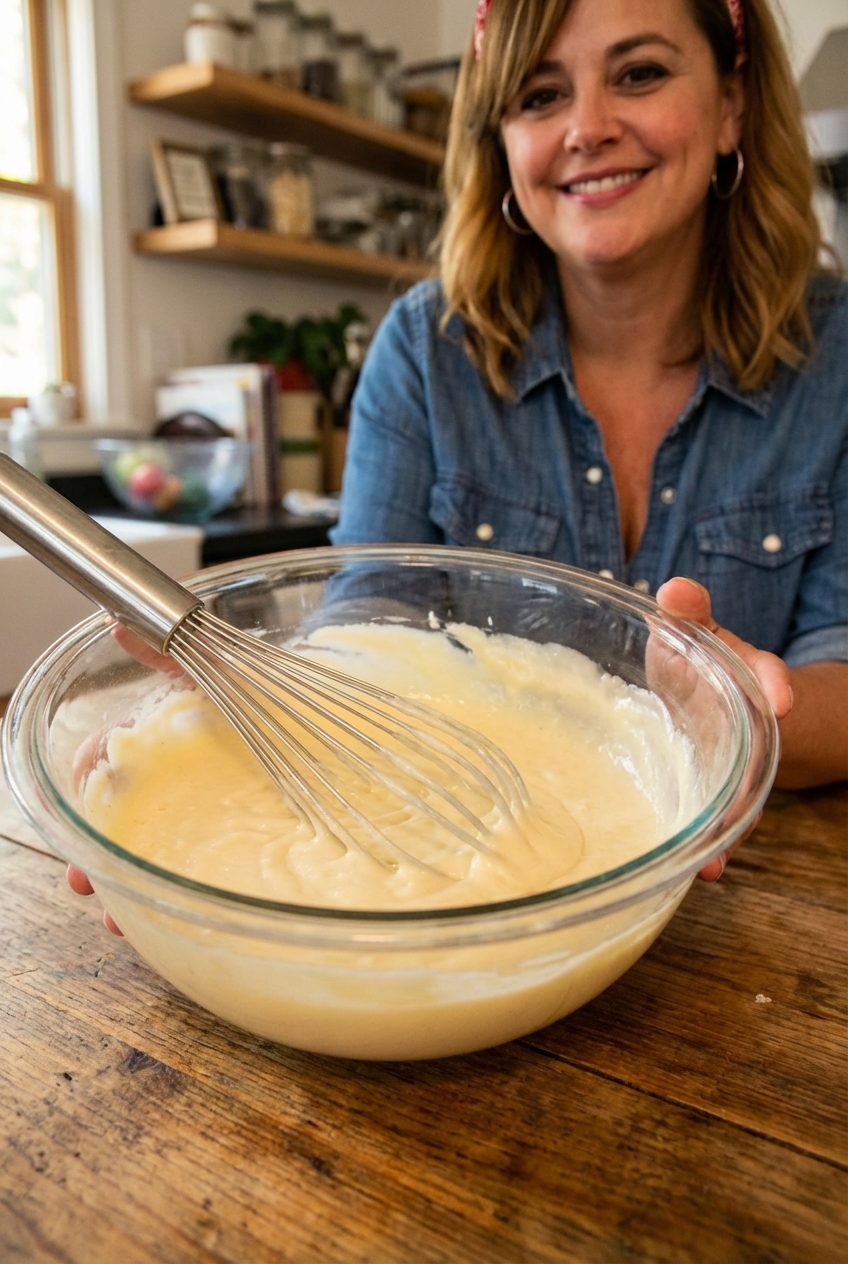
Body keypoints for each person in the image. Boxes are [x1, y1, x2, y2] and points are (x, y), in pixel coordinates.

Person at [70, 0, 846, 929]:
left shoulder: (838, 358)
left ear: (731, 105)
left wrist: (741, 717)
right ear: (501, 142)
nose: (587, 127)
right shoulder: (425, 351)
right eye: (539, 95)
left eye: (639, 74)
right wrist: (237, 711)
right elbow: (372, 611)